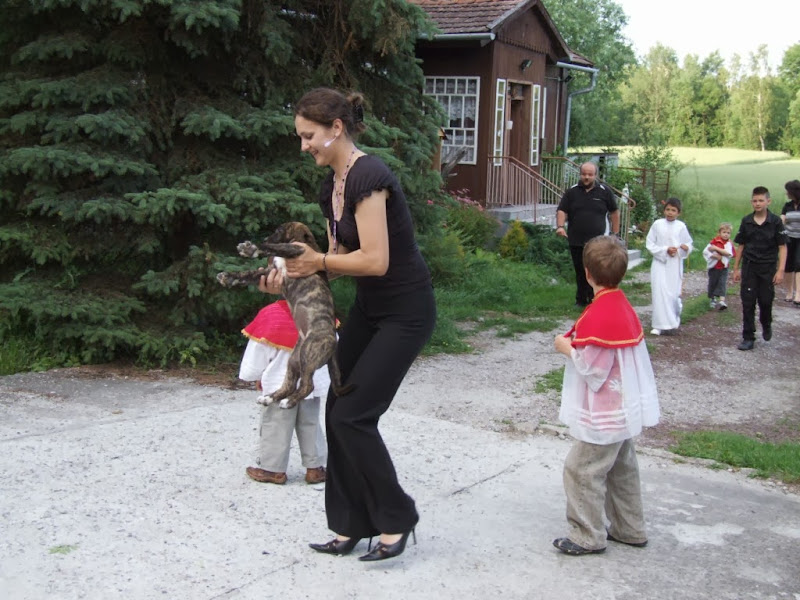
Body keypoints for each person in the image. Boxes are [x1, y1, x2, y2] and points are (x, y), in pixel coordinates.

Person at [259, 87, 436, 562]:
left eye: (308, 136)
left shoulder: (369, 176)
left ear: (336, 128)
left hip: (406, 312)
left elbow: (375, 260)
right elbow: (339, 261)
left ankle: (397, 516)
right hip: (371, 311)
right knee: (338, 408)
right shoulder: (332, 186)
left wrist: (316, 260)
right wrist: (290, 277)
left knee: (354, 415)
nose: (303, 146)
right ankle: (350, 523)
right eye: (300, 137)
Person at [551, 235, 660, 556]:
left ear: (587, 273)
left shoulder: (600, 314)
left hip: (604, 414)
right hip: (622, 408)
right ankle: (629, 528)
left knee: (581, 469)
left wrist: (566, 348)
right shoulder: (621, 306)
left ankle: (587, 535)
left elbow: (594, 369)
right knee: (622, 469)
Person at [238, 300, 328, 486]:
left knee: (275, 424)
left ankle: (273, 469)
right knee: (310, 423)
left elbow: (258, 352)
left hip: (279, 384)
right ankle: (315, 468)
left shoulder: (271, 315)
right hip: (310, 383)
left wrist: (255, 375)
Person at [556, 162, 620, 307]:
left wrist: (615, 233)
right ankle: (580, 300)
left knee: (596, 271)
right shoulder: (572, 192)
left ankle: (594, 299)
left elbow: (614, 212)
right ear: (580, 174)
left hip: (598, 241)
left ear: (595, 175)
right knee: (580, 271)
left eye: (590, 175)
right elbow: (562, 210)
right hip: (576, 239)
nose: (586, 177)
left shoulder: (604, 191)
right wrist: (560, 226)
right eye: (584, 174)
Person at [732, 186, 787, 350]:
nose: (757, 203)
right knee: (748, 302)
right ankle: (748, 337)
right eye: (755, 201)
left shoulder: (775, 222)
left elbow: (782, 247)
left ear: (768, 201)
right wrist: (736, 268)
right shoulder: (746, 221)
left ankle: (766, 322)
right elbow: (741, 246)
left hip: (768, 267)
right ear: (751, 202)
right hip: (750, 267)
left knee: (765, 301)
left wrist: (780, 270)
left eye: (761, 200)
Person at [645, 197, 693, 335]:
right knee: (659, 292)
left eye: (673, 210)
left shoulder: (681, 226)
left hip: (674, 264)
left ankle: (672, 322)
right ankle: (658, 325)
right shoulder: (657, 224)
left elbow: (688, 243)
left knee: (672, 293)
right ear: (664, 210)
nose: (670, 213)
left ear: (678, 212)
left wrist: (685, 248)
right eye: (668, 209)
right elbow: (650, 243)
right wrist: (665, 250)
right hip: (660, 263)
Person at [702, 222, 735, 310]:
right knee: (713, 282)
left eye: (728, 233)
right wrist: (714, 256)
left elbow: (728, 253)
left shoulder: (728, 244)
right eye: (724, 232)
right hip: (714, 267)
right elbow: (706, 251)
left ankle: (722, 300)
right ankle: (712, 299)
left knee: (722, 282)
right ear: (719, 233)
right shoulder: (714, 241)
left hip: (724, 267)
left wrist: (716, 248)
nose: (726, 234)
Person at [780, 180, 800, 305]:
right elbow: (782, 218)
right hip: (788, 238)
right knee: (788, 265)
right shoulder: (787, 205)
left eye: (788, 191)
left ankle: (798, 294)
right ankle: (789, 292)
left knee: (799, 263)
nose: (786, 193)